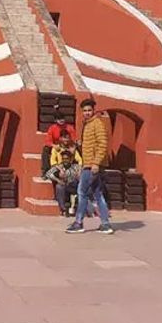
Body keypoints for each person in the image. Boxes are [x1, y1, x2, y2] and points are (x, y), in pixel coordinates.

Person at [65, 99, 114, 235]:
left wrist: (96, 163)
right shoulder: (88, 124)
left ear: (93, 111)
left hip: (92, 165)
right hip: (90, 164)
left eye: (89, 110)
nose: (87, 113)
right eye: (85, 111)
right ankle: (105, 224)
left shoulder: (97, 123)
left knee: (82, 192)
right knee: (98, 194)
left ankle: (78, 222)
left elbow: (103, 144)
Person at [44, 148, 82, 217]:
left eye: (67, 159)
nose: (65, 160)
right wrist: (58, 180)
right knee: (59, 186)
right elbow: (47, 174)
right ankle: (64, 209)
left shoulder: (76, 167)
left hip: (74, 188)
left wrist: (78, 176)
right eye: (63, 159)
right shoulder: (59, 167)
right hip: (65, 188)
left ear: (70, 159)